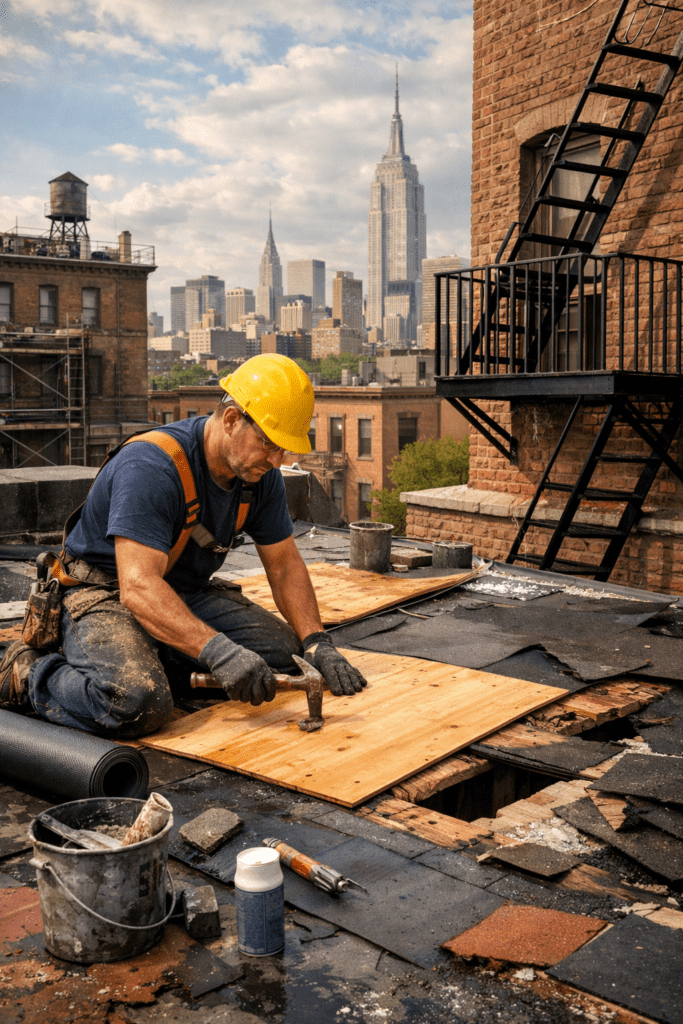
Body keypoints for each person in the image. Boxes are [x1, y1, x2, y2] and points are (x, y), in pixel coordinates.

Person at [0, 354, 366, 736]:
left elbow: (284, 564)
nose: (277, 461)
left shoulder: (259, 476)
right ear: (231, 420)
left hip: (181, 589)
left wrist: (315, 642)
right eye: (270, 444)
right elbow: (138, 587)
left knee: (284, 654)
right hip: (103, 592)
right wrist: (217, 651)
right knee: (137, 702)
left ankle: (157, 655)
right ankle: (29, 673)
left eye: (284, 450)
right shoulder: (152, 467)